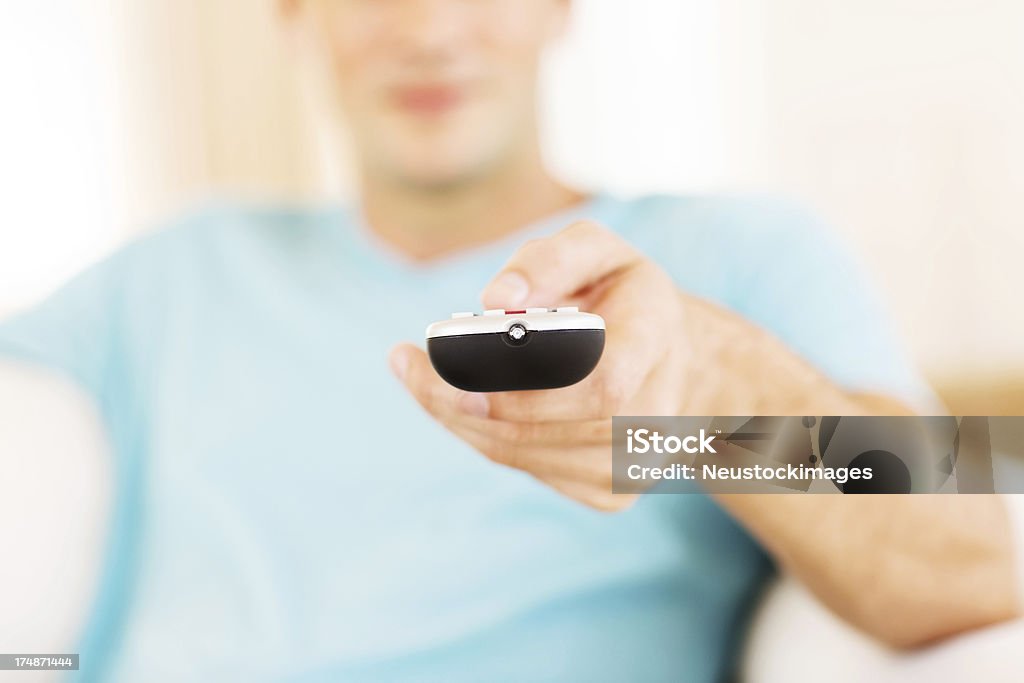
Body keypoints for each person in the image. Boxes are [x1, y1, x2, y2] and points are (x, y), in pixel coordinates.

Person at [0, 1, 1019, 681]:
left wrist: (703, 386)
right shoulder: (173, 272)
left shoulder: (738, 250)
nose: (430, 30)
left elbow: (977, 556)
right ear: (290, 11)